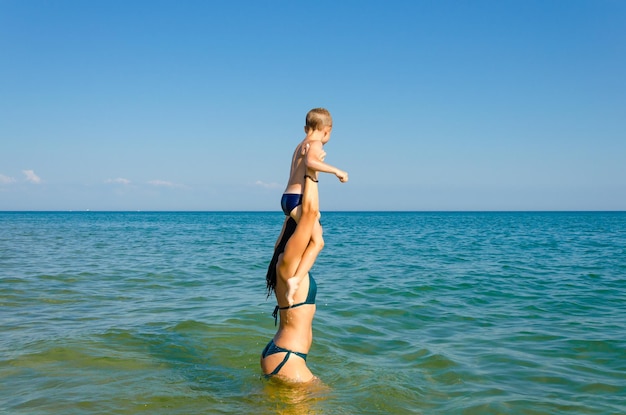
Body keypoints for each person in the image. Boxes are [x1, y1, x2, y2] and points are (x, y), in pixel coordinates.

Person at [280, 108, 348, 306]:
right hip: (298, 200)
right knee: (318, 242)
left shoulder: (300, 145)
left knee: (310, 231)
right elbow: (312, 162)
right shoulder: (315, 143)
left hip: (287, 198)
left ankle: (288, 274)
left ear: (305, 128)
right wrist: (338, 171)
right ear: (327, 130)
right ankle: (296, 280)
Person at [261, 172, 321, 383]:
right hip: (288, 358)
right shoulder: (289, 262)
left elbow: (296, 213)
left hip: (283, 353)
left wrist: (302, 171)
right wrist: (312, 176)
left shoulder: (281, 257)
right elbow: (310, 215)